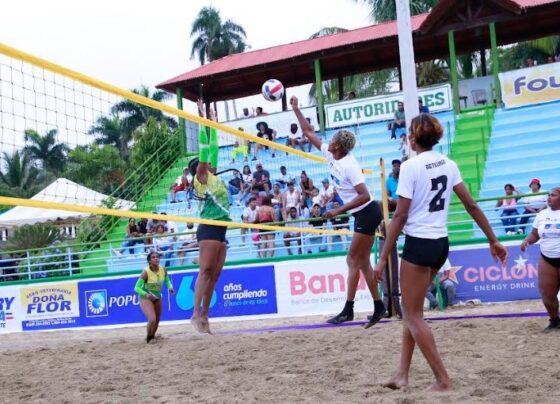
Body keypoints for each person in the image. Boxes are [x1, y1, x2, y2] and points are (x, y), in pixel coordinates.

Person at [373, 113, 507, 391]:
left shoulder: (410, 167)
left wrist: (383, 256)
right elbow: (471, 205)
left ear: (412, 137)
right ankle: (402, 374)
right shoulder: (448, 163)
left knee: (412, 314)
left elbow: (400, 216)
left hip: (419, 244)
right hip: (440, 243)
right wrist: (493, 239)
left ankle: (443, 380)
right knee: (412, 310)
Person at [292, 95, 386, 328]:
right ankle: (379, 306)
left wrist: (337, 211)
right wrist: (295, 108)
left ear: (338, 146)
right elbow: (308, 132)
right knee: (362, 262)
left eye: (333, 138)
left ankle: (348, 310)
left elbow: (364, 195)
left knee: (352, 259)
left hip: (368, 212)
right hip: (362, 214)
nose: (330, 139)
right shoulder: (330, 153)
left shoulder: (349, 165)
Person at [189, 100, 232, 334]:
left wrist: (212, 123)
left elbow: (213, 147)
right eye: (203, 164)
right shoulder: (201, 179)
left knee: (214, 274)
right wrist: (200, 121)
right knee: (205, 271)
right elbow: (205, 150)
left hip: (221, 228)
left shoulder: (213, 176)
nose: (207, 164)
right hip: (208, 227)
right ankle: (195, 314)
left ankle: (205, 315)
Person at [520, 187, 560, 331]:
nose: (549, 197)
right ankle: (555, 321)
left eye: (553, 195)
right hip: (547, 258)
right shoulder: (542, 214)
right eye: (548, 195)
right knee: (547, 294)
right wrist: (527, 241)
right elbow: (535, 234)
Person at [134, 252, 174, 343]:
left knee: (157, 320)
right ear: (149, 261)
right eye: (153, 257)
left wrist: (170, 287)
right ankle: (149, 338)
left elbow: (167, 280)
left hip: (157, 297)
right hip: (146, 297)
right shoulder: (146, 272)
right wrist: (146, 294)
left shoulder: (163, 270)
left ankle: (152, 336)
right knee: (152, 319)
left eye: (157, 257)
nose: (156, 258)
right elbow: (136, 288)